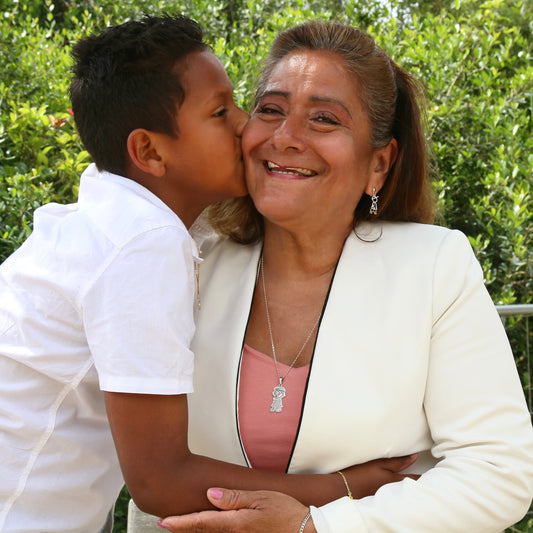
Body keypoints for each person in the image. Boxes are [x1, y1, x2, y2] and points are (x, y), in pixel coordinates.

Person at [0, 15, 416, 533]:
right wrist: (341, 490)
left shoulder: (110, 222)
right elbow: (160, 481)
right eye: (220, 111)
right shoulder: (142, 247)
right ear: (149, 152)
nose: (246, 124)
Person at [155, 20, 533, 533]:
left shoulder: (434, 265)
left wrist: (316, 526)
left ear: (379, 164)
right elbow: (154, 472)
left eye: (324, 120)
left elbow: (498, 472)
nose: (285, 138)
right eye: (270, 109)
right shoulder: (189, 262)